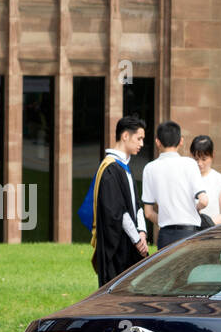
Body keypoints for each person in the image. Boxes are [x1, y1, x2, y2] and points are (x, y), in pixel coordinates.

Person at [90, 116, 147, 287]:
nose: (142, 144)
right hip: (117, 247)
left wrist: (142, 232)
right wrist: (137, 240)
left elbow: (136, 204)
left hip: (130, 242)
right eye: (139, 138)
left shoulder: (124, 167)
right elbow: (117, 212)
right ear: (125, 136)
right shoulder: (110, 168)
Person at [141, 121, 209, 250]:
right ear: (181, 141)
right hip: (189, 233)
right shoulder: (190, 164)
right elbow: (204, 201)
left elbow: (148, 213)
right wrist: (194, 209)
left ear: (157, 142)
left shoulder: (149, 168)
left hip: (165, 235)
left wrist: (167, 219)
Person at [189, 135, 221, 226]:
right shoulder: (186, 178)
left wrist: (205, 224)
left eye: (204, 159)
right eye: (196, 159)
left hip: (211, 232)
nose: (200, 163)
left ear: (212, 156)